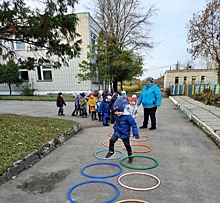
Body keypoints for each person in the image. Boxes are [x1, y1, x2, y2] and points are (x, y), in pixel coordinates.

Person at [105, 98, 139, 163]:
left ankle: (130, 155)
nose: (117, 113)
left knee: (127, 145)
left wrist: (135, 133)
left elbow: (133, 124)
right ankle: (111, 151)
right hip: (117, 131)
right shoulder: (115, 115)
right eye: (115, 111)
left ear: (122, 110)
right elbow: (115, 121)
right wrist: (114, 126)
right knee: (112, 140)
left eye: (119, 111)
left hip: (125, 133)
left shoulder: (128, 116)